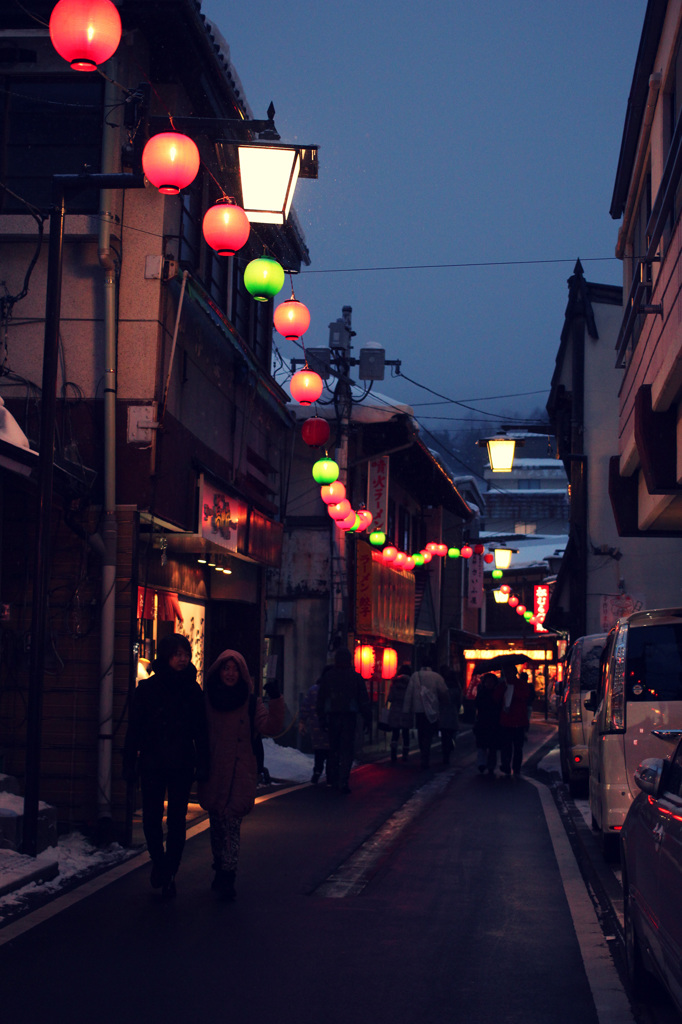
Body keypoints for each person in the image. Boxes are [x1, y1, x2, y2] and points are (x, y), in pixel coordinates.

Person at [122, 633, 209, 898]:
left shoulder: (193, 690)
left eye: (186, 654)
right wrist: (128, 763)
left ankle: (170, 869)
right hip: (153, 761)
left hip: (182, 762)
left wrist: (203, 762)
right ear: (166, 656)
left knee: (176, 821)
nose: (183, 659)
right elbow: (133, 730)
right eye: (177, 654)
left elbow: (201, 731)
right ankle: (160, 862)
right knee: (150, 817)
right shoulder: (147, 690)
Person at [197, 649, 284, 901]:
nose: (230, 673)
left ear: (242, 673)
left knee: (232, 824)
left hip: (240, 771)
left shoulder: (250, 702)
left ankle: (228, 875)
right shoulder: (208, 700)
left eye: (235, 669)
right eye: (226, 668)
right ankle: (219, 865)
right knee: (217, 826)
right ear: (218, 671)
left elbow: (270, 726)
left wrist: (276, 698)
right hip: (214, 771)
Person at [316, 647, 371, 794]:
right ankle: (343, 780)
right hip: (349, 716)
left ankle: (333, 778)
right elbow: (364, 701)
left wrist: (321, 718)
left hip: (332, 716)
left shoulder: (328, 677)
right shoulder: (355, 677)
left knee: (334, 748)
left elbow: (321, 699)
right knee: (347, 749)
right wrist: (367, 719)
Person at [403, 656, 450, 769]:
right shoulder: (437, 677)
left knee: (421, 731)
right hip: (432, 709)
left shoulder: (415, 676)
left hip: (418, 709)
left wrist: (406, 710)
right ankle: (426, 753)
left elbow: (409, 694)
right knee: (429, 733)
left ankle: (423, 752)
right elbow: (444, 693)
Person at [498, 666, 535, 776]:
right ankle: (507, 765)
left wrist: (512, 692)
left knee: (517, 746)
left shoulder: (521, 684)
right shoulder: (503, 685)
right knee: (507, 746)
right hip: (507, 720)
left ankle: (515, 767)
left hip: (518, 721)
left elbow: (526, 696)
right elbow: (496, 698)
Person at [299, 676, 330, 784]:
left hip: (316, 725)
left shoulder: (313, 690)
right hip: (332, 725)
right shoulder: (333, 689)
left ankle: (317, 772)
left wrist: (302, 721)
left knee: (319, 751)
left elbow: (305, 706)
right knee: (331, 751)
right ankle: (331, 775)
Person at [473, 672, 505, 774]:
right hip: (483, 722)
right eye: (487, 681)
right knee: (482, 745)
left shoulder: (497, 694)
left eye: (491, 681)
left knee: (492, 747)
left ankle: (490, 765)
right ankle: (482, 764)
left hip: (494, 723)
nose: (489, 683)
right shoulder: (481, 693)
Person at [386, 663, 413, 763]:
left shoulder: (394, 683)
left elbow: (390, 698)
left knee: (395, 733)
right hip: (406, 710)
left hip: (395, 710)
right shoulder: (411, 684)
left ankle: (393, 754)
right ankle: (405, 755)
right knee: (406, 733)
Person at [438, 665, 463, 767]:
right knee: (452, 732)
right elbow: (459, 701)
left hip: (443, 712)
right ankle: (451, 745)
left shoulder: (443, 687)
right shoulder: (457, 688)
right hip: (452, 712)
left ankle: (445, 755)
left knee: (444, 735)